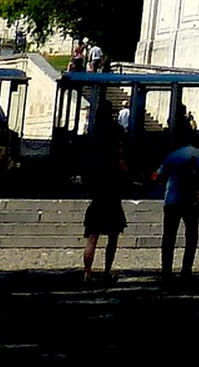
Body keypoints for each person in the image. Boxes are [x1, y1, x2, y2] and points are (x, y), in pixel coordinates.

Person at [80, 99, 128, 282]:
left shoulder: (94, 135)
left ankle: (87, 272)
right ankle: (107, 271)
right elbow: (123, 163)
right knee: (113, 237)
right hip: (112, 195)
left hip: (97, 195)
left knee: (92, 237)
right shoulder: (116, 134)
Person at [152, 135, 199, 288]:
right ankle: (186, 270)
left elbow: (158, 174)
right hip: (190, 201)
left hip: (171, 200)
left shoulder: (172, 155)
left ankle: (166, 272)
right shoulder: (198, 154)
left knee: (169, 237)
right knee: (191, 236)